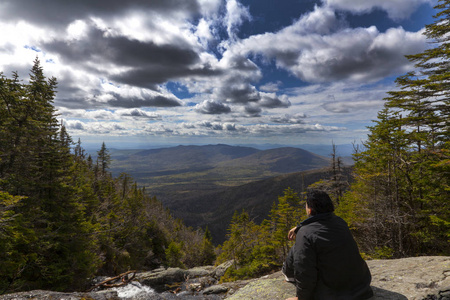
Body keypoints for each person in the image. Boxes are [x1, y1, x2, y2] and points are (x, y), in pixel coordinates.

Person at [282, 189, 373, 300]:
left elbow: (304, 270)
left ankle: (288, 274)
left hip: (333, 294)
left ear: (310, 210)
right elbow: (322, 226)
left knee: (297, 248)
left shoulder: (305, 233)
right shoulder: (340, 222)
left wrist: (302, 298)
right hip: (361, 287)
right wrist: (300, 227)